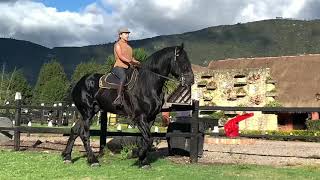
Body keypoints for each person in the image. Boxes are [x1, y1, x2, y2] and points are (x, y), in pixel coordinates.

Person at [112, 27, 140, 106]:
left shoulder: (129, 47)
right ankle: (118, 97)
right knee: (123, 77)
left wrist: (136, 62)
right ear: (120, 35)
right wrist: (130, 61)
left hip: (128, 68)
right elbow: (120, 56)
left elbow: (131, 58)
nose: (127, 35)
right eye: (125, 34)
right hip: (118, 67)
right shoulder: (117, 44)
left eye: (128, 34)